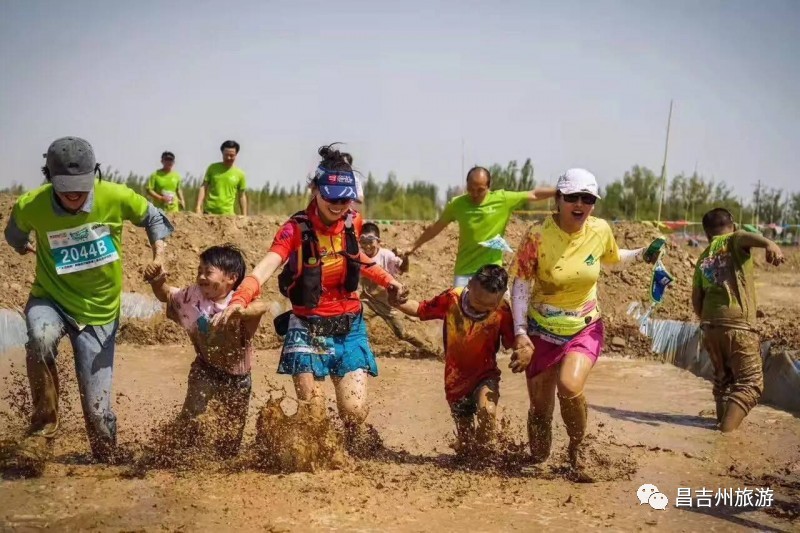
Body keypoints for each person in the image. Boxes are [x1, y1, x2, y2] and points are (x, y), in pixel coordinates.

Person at [215, 144, 407, 453]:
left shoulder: (352, 222)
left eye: (345, 199)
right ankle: (282, 441)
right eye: (331, 198)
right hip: (307, 328)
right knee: (314, 417)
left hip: (349, 328)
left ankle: (354, 444)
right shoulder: (294, 229)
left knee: (354, 413)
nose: (338, 206)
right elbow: (266, 267)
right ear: (315, 190)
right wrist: (240, 298)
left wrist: (390, 281)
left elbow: (356, 257)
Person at [3, 137, 173, 468]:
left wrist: (160, 256)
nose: (74, 195)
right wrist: (24, 247)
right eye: (65, 188)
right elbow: (14, 235)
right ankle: (41, 431)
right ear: (49, 177)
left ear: (94, 174)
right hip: (50, 298)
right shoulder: (31, 205)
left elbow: (155, 218)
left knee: (97, 413)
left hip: (99, 310)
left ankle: (105, 452)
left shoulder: (115, 196)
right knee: (40, 337)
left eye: (81, 186)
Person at [509, 168, 660, 477]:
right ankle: (539, 459)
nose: (580, 204)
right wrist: (520, 332)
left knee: (569, 386)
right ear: (559, 199)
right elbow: (521, 283)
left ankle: (579, 451)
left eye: (587, 199)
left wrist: (643, 254)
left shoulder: (599, 230)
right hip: (541, 328)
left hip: (583, 325)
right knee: (540, 409)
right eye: (573, 197)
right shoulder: (537, 235)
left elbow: (612, 258)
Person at [145, 244, 267, 456]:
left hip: (238, 378)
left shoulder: (239, 300)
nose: (201, 277)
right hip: (205, 369)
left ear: (231, 278)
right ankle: (174, 455)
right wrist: (157, 281)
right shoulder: (192, 297)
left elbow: (262, 306)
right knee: (191, 418)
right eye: (199, 270)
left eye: (208, 272)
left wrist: (240, 312)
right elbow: (166, 294)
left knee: (230, 439)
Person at [391, 265, 527, 453]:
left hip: (485, 375)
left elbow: (513, 341)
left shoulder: (502, 311)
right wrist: (397, 302)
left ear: (501, 296)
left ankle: (487, 456)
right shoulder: (452, 298)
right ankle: (466, 448)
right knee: (465, 444)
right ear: (469, 284)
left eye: (488, 306)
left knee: (487, 414)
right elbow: (420, 309)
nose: (480, 308)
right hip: (455, 381)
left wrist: (524, 351)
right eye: (476, 301)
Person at [692, 208, 784, 433]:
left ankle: (720, 426)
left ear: (707, 234)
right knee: (751, 384)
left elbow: (696, 298)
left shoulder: (704, 257)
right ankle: (725, 436)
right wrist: (770, 244)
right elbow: (744, 236)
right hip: (738, 325)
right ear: (733, 225)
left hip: (709, 326)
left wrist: (709, 323)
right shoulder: (734, 240)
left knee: (723, 382)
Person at [404, 166, 556, 287]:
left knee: (498, 313)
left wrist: (560, 191)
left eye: (480, 190)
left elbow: (534, 194)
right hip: (464, 274)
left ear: (489, 186)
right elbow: (435, 228)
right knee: (460, 312)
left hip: (492, 272)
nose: (475, 194)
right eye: (471, 189)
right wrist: (413, 246)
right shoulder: (457, 205)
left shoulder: (502, 200)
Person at [359, 222, 437, 357]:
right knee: (356, 320)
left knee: (402, 333)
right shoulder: (359, 257)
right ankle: (360, 351)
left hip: (388, 303)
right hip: (368, 301)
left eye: (370, 241)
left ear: (378, 241)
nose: (367, 246)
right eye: (363, 242)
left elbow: (402, 269)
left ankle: (429, 349)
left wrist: (405, 257)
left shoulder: (386, 255)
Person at [195, 140, 248, 216]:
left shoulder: (240, 174)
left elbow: (242, 196)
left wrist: (244, 215)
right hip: (209, 213)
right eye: (226, 155)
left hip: (228, 216)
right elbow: (203, 187)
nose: (228, 158)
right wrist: (198, 207)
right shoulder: (212, 168)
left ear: (236, 154)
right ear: (222, 153)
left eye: (232, 155)